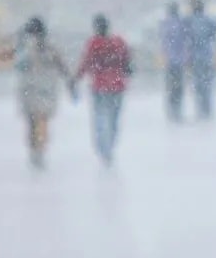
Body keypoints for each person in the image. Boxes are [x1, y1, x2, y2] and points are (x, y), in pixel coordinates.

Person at [13, 17, 71, 169]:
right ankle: (39, 148)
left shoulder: (25, 48)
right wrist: (70, 81)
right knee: (41, 121)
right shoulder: (49, 48)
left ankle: (36, 148)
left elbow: (17, 64)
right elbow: (62, 66)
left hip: (30, 90)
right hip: (44, 90)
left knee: (33, 122)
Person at [74, 14, 132, 165]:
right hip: (118, 86)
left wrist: (76, 79)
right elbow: (128, 62)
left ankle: (103, 148)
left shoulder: (94, 43)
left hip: (99, 86)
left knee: (100, 118)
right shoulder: (119, 42)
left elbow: (85, 63)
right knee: (113, 119)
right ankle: (110, 146)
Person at [184, 0, 216, 120]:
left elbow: (186, 38)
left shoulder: (189, 21)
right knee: (207, 84)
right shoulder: (209, 21)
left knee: (198, 84)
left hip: (195, 57)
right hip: (207, 56)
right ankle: (207, 109)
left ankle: (200, 109)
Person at [159, 3, 190, 122]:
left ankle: (171, 111)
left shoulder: (165, 24)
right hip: (180, 61)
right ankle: (178, 111)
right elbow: (186, 42)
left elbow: (163, 42)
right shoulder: (182, 24)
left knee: (170, 87)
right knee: (179, 88)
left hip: (170, 61)